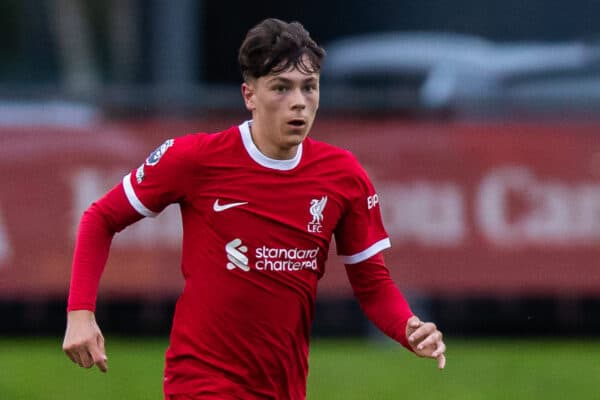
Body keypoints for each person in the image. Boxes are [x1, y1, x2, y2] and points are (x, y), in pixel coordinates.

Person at [62, 18, 446, 400]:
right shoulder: (195, 158)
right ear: (250, 95)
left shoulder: (343, 175)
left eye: (309, 87)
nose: (298, 101)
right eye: (281, 88)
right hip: (201, 383)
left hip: (284, 386)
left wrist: (408, 327)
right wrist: (80, 313)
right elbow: (101, 217)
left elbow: (372, 283)